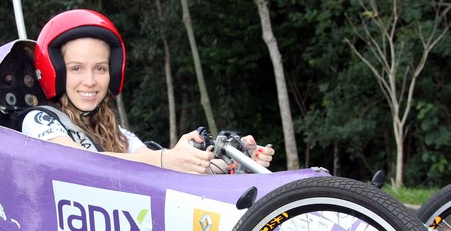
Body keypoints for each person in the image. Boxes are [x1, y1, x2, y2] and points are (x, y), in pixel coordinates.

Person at [22, 9, 274, 174]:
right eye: (76, 68)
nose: (89, 81)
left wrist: (239, 163)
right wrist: (165, 159)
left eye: (100, 69)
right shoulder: (40, 122)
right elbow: (77, 162)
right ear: (57, 71)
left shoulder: (117, 133)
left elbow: (156, 165)